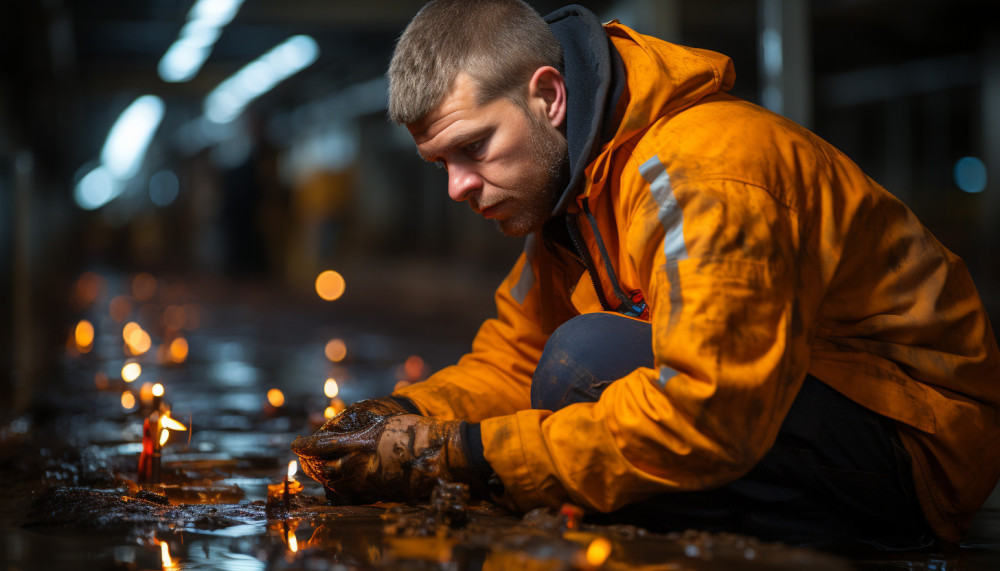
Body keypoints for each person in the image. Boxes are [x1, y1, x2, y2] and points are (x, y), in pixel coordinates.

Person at [292, 0, 1000, 547]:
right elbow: (513, 357)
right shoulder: (574, 194)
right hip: (807, 408)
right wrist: (405, 416)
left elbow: (708, 410)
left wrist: (465, 456)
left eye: (474, 147)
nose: (458, 187)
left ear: (549, 97)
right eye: (440, 164)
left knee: (583, 364)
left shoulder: (705, 172)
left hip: (914, 448)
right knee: (564, 372)